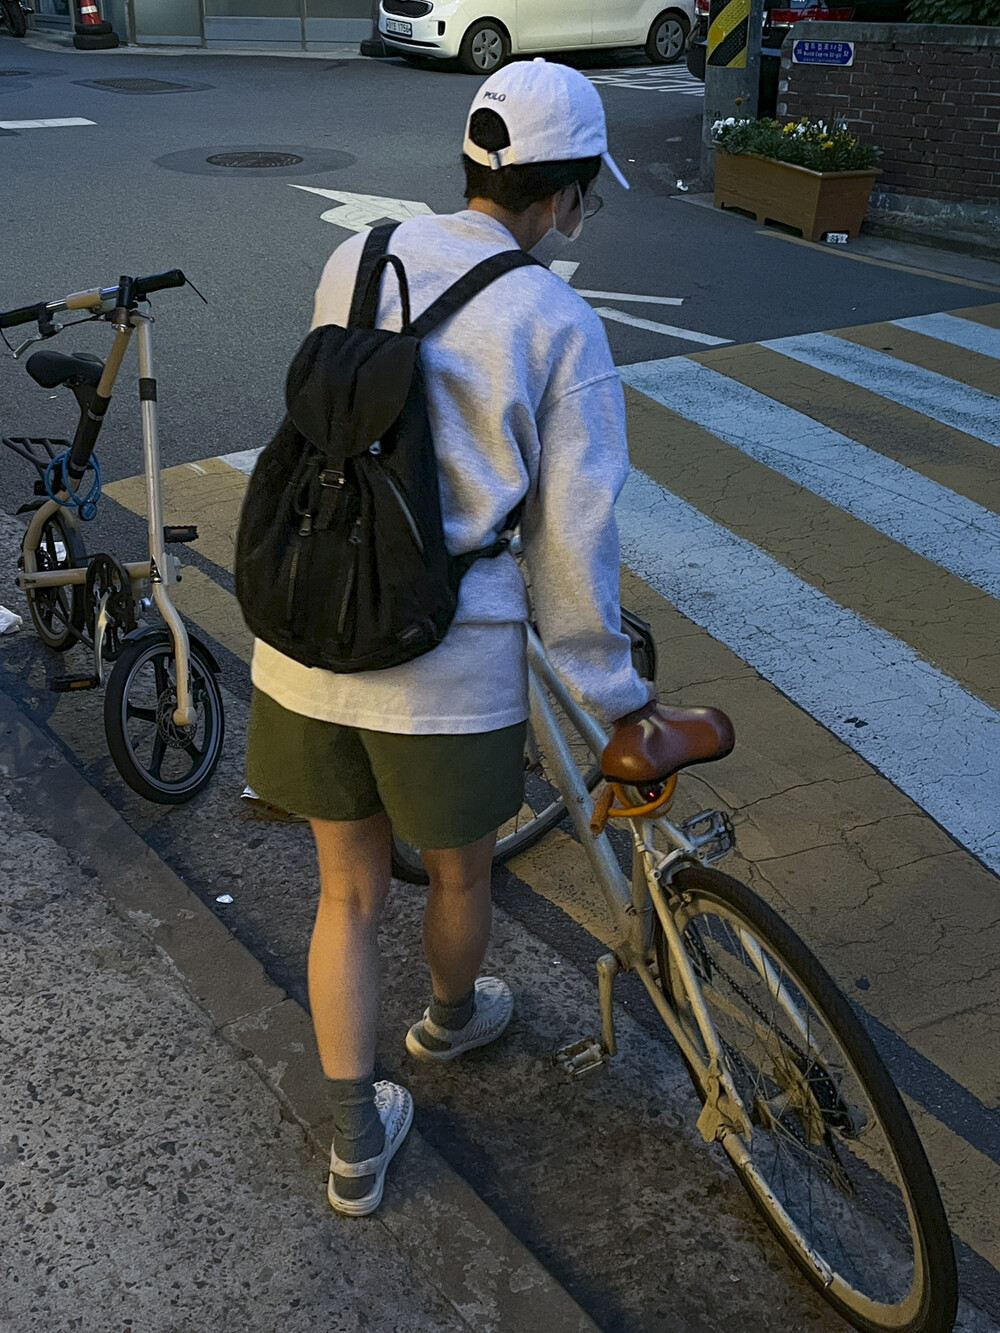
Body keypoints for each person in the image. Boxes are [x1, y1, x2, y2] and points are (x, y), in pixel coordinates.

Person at [244, 57, 655, 1217]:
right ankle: (450, 1018)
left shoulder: (357, 257)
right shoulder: (556, 320)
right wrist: (611, 700)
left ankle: (353, 1142)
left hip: (313, 630)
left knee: (344, 892)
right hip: (445, 656)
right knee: (460, 869)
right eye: (585, 195)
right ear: (563, 197)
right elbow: (571, 544)